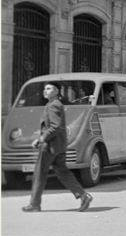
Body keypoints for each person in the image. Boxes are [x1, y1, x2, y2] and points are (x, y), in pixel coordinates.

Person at [22, 82, 93, 212]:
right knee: (63, 172)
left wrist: (42, 138)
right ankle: (83, 196)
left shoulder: (53, 105)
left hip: (50, 146)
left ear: (56, 91)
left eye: (48, 89)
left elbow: (56, 126)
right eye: (44, 89)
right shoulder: (55, 104)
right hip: (59, 146)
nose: (45, 91)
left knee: (39, 174)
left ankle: (34, 204)